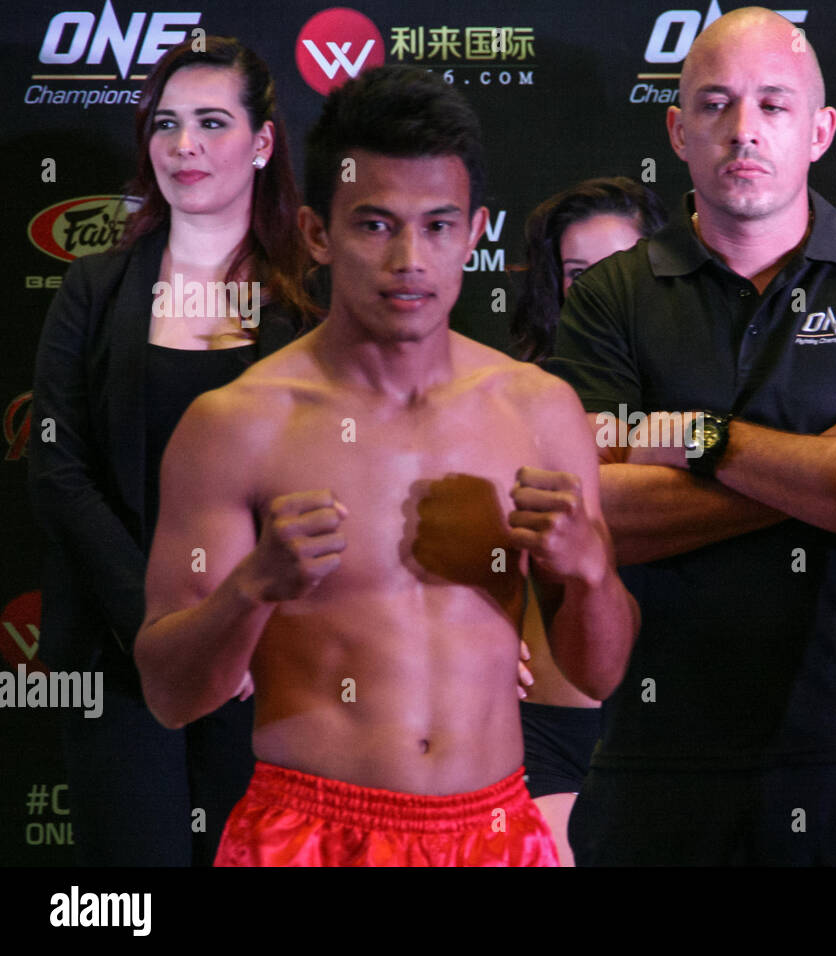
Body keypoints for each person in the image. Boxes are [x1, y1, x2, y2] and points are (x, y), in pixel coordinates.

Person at [134, 64, 638, 867]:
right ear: (316, 234)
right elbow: (169, 695)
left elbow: (602, 674)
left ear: (475, 233)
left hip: (497, 831)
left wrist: (590, 574)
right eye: (375, 224)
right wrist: (251, 587)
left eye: (438, 225)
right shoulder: (237, 426)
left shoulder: (538, 412)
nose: (410, 258)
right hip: (309, 833)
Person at [547, 6, 836, 865]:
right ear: (678, 130)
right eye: (715, 104)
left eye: (774, 105)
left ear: (819, 130)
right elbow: (592, 511)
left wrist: (702, 439)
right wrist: (832, 465)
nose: (743, 130)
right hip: (654, 761)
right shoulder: (609, 296)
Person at [29, 37, 314, 866]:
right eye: (166, 123)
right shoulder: (94, 289)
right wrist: (160, 622)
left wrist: (246, 623)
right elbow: (58, 471)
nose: (182, 145)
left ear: (261, 143)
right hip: (119, 656)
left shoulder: (314, 295)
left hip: (274, 659)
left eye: (211, 122)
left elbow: (350, 468)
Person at [509, 177, 666, 865]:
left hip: (674, 736)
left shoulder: (714, 402)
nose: (599, 290)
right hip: (545, 731)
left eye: (619, 268)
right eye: (578, 274)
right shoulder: (509, 399)